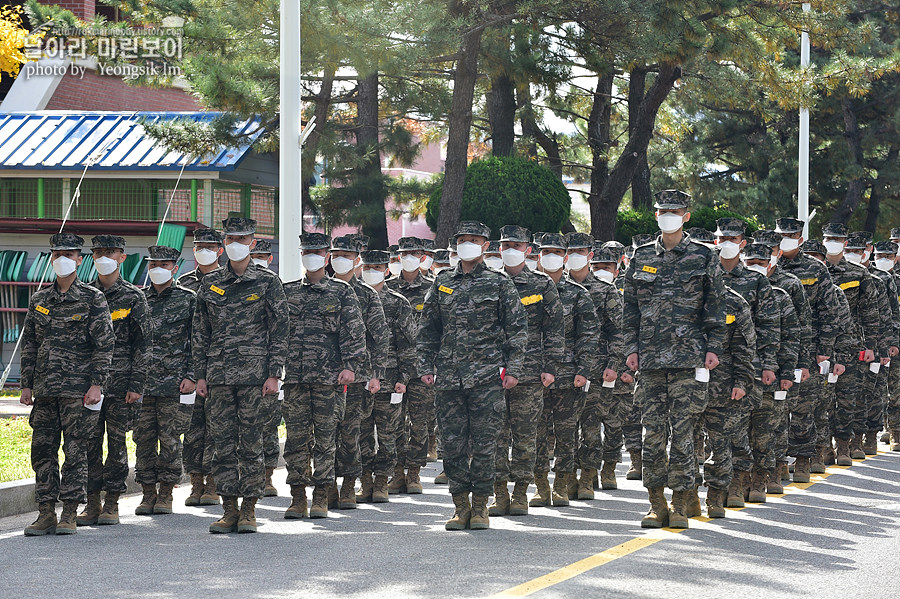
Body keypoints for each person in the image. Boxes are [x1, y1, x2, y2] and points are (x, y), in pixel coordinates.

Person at [623, 190, 726, 529]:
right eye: (663, 210)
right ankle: (656, 504)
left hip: (688, 360)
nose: (668, 215)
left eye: (675, 210)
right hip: (650, 362)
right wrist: (631, 349)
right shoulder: (638, 257)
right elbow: (630, 310)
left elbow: (716, 307)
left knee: (683, 435)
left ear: (686, 215)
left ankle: (680, 503)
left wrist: (713, 348)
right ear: (656, 215)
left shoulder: (703, 257)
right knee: (651, 435)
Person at [418, 221, 528, 530]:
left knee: (484, 445)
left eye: (474, 239)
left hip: (487, 379)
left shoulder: (499, 283)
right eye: (463, 239)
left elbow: (517, 330)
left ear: (485, 245)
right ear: (455, 244)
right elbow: (427, 330)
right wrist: (425, 367)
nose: (468, 243)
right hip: (449, 379)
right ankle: (460, 506)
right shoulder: (441, 283)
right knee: (451, 446)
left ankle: (480, 507)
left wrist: (514, 368)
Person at [192, 217, 289, 533]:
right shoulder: (210, 284)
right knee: (222, 444)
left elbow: (279, 330)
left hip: (254, 378)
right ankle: (228, 509)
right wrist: (200, 375)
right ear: (224, 242)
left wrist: (274, 373)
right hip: (218, 376)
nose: (234, 243)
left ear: (251, 242)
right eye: (229, 237)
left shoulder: (267, 282)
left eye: (241, 238)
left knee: (250, 443)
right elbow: (200, 332)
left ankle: (249, 510)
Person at [20, 233, 115, 536]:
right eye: (57, 253)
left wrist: (98, 384)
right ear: (51, 258)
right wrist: (26, 385)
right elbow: (30, 345)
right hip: (46, 389)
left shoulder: (92, 298)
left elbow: (104, 345)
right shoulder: (39, 299)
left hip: (78, 390)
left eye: (69, 253)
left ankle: (70, 513)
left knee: (76, 451)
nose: (62, 258)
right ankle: (46, 512)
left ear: (79, 259)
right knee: (42, 451)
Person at [281, 233, 367, 519]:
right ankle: (297, 497)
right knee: (295, 439)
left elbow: (354, 333)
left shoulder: (342, 292)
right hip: (294, 378)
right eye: (307, 250)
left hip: (329, 379)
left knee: (326, 439)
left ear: (327, 256)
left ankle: (320, 495)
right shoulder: (288, 291)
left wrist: (349, 367)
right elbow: (277, 334)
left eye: (317, 251)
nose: (311, 255)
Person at [489, 225, 564, 517]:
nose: (510, 249)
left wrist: (550, 366)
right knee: (495, 435)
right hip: (493, 372)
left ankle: (520, 492)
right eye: (506, 244)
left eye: (516, 245)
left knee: (524, 436)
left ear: (528, 250)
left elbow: (554, 329)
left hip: (531, 373)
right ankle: (499, 493)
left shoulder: (542, 285)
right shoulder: (490, 281)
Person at [79, 235, 149, 527]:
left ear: (122, 257)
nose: (103, 257)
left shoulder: (134, 297)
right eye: (98, 252)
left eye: (110, 252)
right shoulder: (82, 294)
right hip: (88, 385)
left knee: (117, 444)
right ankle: (91, 502)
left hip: (121, 385)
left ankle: (111, 502)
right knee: (88, 444)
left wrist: (136, 385)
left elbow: (143, 345)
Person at [712, 218, 780, 505]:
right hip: (710, 371)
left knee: (742, 430)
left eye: (733, 238)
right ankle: (721, 485)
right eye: (722, 238)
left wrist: (768, 364)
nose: (727, 243)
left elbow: (768, 327)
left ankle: (744, 480)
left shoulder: (756, 281)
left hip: (745, 366)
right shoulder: (705, 277)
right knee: (717, 434)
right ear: (716, 242)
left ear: (743, 243)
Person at [531, 232, 599, 507]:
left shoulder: (578, 295)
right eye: (545, 251)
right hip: (534, 374)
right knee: (536, 434)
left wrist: (584, 370)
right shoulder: (528, 292)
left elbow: (588, 336)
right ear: (538, 256)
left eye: (556, 253)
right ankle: (540, 486)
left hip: (569, 376)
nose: (550, 257)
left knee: (566, 434)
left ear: (565, 258)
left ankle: (561, 485)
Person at [775, 218, 842, 472]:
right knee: (777, 408)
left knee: (804, 406)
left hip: (809, 349)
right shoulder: (770, 266)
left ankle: (803, 459)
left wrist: (824, 349)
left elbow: (829, 310)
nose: (785, 238)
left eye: (791, 234)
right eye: (782, 234)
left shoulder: (816, 269)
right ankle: (779, 461)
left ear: (800, 239)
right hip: (777, 348)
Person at [134, 245, 197, 516]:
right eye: (152, 264)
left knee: (171, 439)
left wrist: (192, 375)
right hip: (143, 383)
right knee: (143, 439)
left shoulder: (188, 299)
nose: (157, 269)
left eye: (163, 264)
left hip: (174, 382)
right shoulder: (138, 299)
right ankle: (147, 493)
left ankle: (166, 493)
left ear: (175, 267)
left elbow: (198, 339)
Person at [329, 235, 389, 508]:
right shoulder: (321, 289)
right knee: (323, 434)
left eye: (345, 254)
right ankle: (326, 485)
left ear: (356, 260)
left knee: (352, 434)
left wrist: (376, 374)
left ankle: (349, 485)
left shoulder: (367, 295)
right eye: (335, 253)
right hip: (322, 375)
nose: (339, 259)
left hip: (358, 377)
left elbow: (379, 338)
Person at [356, 250, 416, 503]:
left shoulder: (398, 302)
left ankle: (382, 480)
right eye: (368, 266)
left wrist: (404, 377)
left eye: (378, 266)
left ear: (386, 270)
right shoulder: (352, 297)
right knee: (361, 433)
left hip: (390, 379)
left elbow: (409, 343)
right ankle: (365, 481)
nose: (372, 270)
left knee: (389, 433)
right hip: (359, 377)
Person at [566, 238, 623, 497]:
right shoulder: (552, 287)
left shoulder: (605, 291)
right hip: (562, 368)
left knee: (591, 424)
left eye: (580, 251)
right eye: (571, 252)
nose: (574, 256)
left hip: (596, 370)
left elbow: (618, 331)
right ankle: (566, 476)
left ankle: (588, 475)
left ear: (589, 255)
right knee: (563, 426)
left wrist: (614, 365)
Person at [695, 285, 756, 518]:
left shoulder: (733, 301)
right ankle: (687, 495)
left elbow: (745, 347)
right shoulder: (677, 294)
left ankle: (716, 495)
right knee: (684, 443)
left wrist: (742, 381)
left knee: (720, 444)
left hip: (721, 387)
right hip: (685, 386)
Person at [822, 226, 880, 464]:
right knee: (821, 400)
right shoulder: (815, 269)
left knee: (848, 397)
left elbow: (871, 313)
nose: (833, 243)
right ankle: (822, 446)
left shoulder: (858, 274)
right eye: (829, 239)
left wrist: (873, 346)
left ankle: (846, 444)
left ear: (845, 243)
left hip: (851, 344)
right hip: (821, 345)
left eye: (837, 239)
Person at [179, 227, 225, 505]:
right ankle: (196, 483)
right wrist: (189, 372)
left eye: (209, 246)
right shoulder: (184, 284)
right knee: (193, 428)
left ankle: (214, 484)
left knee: (218, 429)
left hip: (221, 368)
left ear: (220, 250)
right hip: (189, 369)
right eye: (198, 246)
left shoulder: (228, 282)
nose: (203, 251)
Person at [387, 237, 436, 493]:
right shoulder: (386, 289)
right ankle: (397, 472)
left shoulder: (433, 288)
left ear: (423, 256)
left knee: (419, 422)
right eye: (404, 253)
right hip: (392, 368)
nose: (408, 257)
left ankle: (414, 473)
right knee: (393, 423)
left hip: (422, 369)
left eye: (414, 253)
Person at [248, 239, 282, 497]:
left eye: (262, 255)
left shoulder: (273, 284)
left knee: (268, 425)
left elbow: (280, 330)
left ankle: (267, 476)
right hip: (231, 371)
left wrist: (275, 371)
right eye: (254, 253)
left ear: (269, 259)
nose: (258, 258)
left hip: (266, 369)